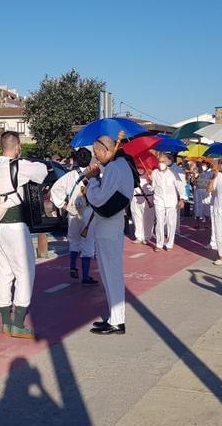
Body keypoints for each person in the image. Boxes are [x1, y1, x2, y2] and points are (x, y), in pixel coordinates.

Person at [0, 131, 48, 339]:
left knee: (3, 272)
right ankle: (18, 323)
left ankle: (6, 322)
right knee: (25, 272)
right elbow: (43, 171)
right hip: (15, 225)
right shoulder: (20, 165)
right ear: (17, 146)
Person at [85, 136, 136, 335]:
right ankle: (115, 317)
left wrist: (92, 180)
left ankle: (117, 321)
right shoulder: (122, 165)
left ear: (106, 150)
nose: (96, 159)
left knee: (111, 273)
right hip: (112, 225)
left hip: (109, 226)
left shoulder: (115, 168)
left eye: (96, 154)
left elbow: (99, 198)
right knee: (109, 274)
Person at [50, 148, 98, 285]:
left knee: (74, 240)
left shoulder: (70, 175)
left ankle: (72, 266)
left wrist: (63, 205)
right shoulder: (93, 176)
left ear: (76, 159)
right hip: (88, 212)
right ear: (90, 160)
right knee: (87, 243)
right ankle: (86, 276)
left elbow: (55, 189)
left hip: (73, 212)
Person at [151, 154, 186, 251]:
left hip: (171, 201)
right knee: (159, 221)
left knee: (171, 222)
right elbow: (153, 186)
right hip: (159, 200)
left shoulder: (174, 173)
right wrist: (150, 186)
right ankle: (159, 244)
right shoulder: (155, 173)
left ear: (167, 162)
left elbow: (181, 187)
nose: (161, 164)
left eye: (163, 162)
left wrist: (182, 199)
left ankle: (169, 244)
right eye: (160, 162)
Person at [130, 167, 155, 245]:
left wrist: (151, 179)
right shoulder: (132, 171)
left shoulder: (152, 171)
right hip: (135, 196)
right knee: (136, 217)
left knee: (148, 218)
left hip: (148, 197)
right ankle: (139, 236)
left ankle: (147, 237)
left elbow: (156, 184)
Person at [193, 161, 214, 226]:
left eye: (204, 165)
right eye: (202, 165)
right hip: (198, 190)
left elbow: (213, 182)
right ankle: (197, 222)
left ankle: (207, 222)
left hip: (207, 191)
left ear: (207, 166)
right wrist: (195, 177)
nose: (203, 166)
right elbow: (194, 182)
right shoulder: (198, 172)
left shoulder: (212, 173)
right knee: (198, 206)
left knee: (207, 206)